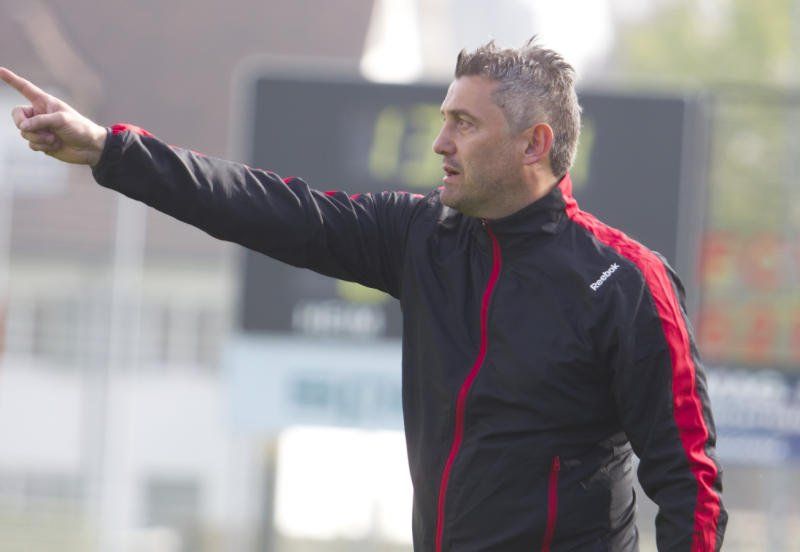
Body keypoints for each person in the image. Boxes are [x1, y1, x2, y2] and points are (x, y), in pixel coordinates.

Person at [1, 38, 726, 551]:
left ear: (534, 144)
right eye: (443, 120)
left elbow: (689, 481)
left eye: (464, 123)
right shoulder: (421, 236)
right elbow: (269, 208)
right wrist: (110, 150)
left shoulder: (625, 282)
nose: (441, 142)